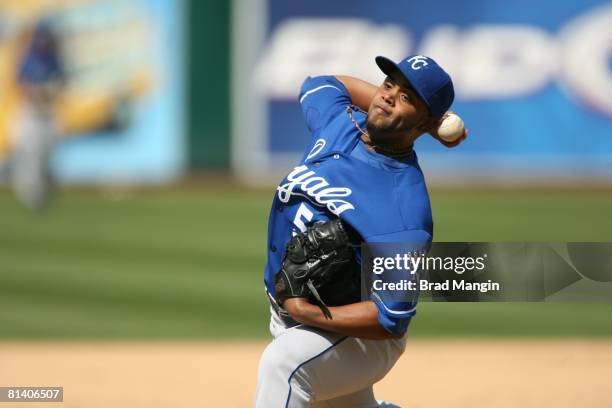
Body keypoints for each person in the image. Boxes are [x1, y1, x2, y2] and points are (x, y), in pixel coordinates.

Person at [255, 55, 466, 407]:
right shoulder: (339, 123)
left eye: (406, 98)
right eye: (388, 85)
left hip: (362, 341)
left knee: (285, 366)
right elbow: (323, 83)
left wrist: (308, 313)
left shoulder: (404, 208)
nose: (387, 97)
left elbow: (390, 318)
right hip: (300, 319)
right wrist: (419, 119)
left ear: (423, 121)